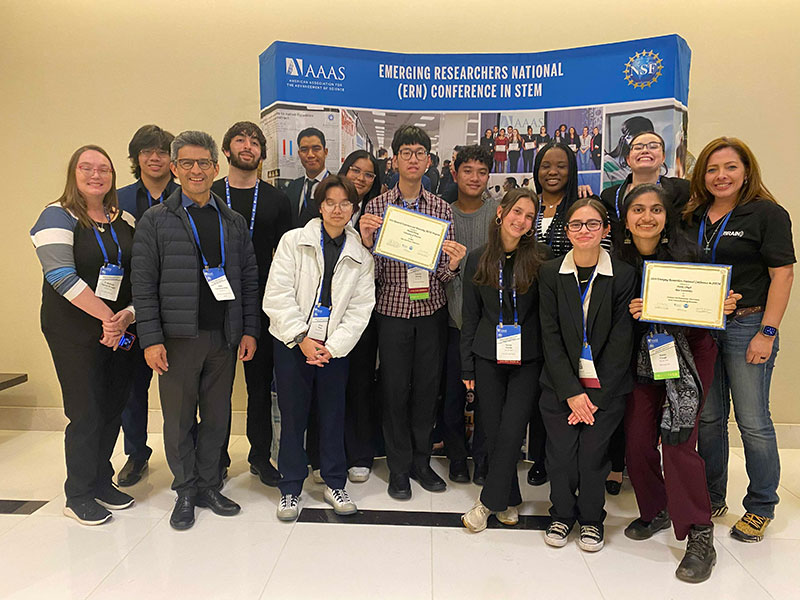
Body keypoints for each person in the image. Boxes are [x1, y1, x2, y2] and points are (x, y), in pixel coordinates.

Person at [132, 130, 260, 530]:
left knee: (218, 417)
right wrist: (151, 340)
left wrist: (250, 330)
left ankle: (208, 484)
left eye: (203, 163)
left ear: (215, 166)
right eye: (186, 163)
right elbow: (143, 284)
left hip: (224, 336)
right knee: (179, 420)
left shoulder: (232, 221)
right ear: (174, 169)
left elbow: (249, 279)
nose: (196, 170)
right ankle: (185, 489)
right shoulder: (156, 221)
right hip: (177, 339)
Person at [616, 184, 740, 582]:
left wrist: (721, 305)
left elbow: (707, 305)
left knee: (678, 440)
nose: (647, 217)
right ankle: (657, 509)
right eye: (638, 210)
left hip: (689, 354)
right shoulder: (616, 260)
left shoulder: (690, 255)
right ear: (626, 218)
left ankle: (700, 533)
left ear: (667, 217)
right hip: (641, 358)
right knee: (636, 442)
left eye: (655, 209)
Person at [684, 137, 795, 543]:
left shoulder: (766, 213)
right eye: (713, 169)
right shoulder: (694, 215)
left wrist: (767, 332)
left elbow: (782, 274)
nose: (721, 176)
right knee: (710, 419)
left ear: (746, 170)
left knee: (753, 422)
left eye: (730, 167)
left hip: (749, 326)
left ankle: (761, 505)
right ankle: (713, 495)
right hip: (704, 328)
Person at [31, 145, 137, 525]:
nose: (96, 175)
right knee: (86, 410)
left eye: (104, 169)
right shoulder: (56, 215)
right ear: (73, 173)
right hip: (74, 329)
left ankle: (101, 480)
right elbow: (60, 275)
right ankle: (77, 494)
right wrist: (109, 317)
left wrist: (126, 316)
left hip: (120, 327)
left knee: (113, 406)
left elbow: (139, 275)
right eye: (87, 168)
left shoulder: (123, 218)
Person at [359, 126, 467, 499]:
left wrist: (452, 265)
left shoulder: (440, 209)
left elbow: (441, 271)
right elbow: (363, 275)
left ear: (428, 161)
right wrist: (369, 245)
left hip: (430, 311)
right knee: (393, 391)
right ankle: (399, 468)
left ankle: (421, 462)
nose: (413, 159)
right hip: (390, 312)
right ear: (395, 159)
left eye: (420, 152)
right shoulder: (375, 208)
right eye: (406, 152)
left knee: (426, 390)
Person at [264, 175, 375, 520]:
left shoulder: (360, 255)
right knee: (293, 417)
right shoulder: (293, 241)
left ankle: (333, 481)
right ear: (320, 206)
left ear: (354, 209)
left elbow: (360, 309)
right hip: (293, 344)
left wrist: (334, 346)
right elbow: (278, 294)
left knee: (332, 414)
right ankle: (291, 488)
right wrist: (301, 338)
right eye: (331, 202)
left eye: (345, 203)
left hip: (333, 350)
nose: (337, 209)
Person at [539, 198, 636, 552]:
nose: (584, 231)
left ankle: (592, 519)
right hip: (560, 386)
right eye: (576, 224)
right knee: (561, 453)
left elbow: (621, 341)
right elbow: (549, 336)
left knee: (593, 454)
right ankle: (561, 515)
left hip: (604, 390)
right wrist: (571, 392)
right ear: (566, 231)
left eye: (593, 224)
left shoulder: (623, 275)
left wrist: (592, 398)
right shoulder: (550, 273)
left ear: (606, 230)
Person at [460, 189, 550, 532]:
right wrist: (466, 364)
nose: (522, 221)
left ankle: (487, 503)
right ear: (501, 212)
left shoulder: (540, 257)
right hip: (487, 355)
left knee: (513, 429)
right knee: (495, 431)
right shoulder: (479, 258)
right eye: (517, 212)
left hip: (528, 358)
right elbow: (471, 316)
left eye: (529, 217)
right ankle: (509, 497)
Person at [210, 121, 292, 487]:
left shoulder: (277, 200)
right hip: (213, 303)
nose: (248, 146)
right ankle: (215, 458)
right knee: (215, 388)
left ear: (262, 152)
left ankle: (260, 456)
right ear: (226, 150)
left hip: (260, 304)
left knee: (259, 387)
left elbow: (287, 259)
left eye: (255, 141)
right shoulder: (207, 194)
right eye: (240, 140)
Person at [116, 124, 179, 487]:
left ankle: (185, 458)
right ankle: (136, 453)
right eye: (147, 151)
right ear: (136, 158)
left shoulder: (187, 195)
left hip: (176, 309)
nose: (155, 158)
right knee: (132, 388)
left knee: (182, 391)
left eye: (161, 151)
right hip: (131, 312)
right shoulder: (118, 200)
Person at [441, 145, 495, 485]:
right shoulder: (440, 213)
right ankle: (457, 457)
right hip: (449, 321)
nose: (474, 178)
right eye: (468, 171)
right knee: (451, 397)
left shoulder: (500, 213)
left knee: (490, 399)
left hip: (490, 326)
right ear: (455, 173)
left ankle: (484, 458)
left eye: (481, 172)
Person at [336, 150, 384, 481]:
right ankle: (328, 451)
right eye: (356, 170)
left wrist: (368, 241)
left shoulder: (380, 212)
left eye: (368, 174)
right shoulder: (331, 204)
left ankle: (360, 453)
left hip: (365, 313)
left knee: (361, 384)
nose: (361, 179)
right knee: (330, 384)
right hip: (326, 313)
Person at [600, 130, 690, 240]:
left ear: (663, 157)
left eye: (653, 146)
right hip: (624, 255)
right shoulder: (609, 196)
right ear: (628, 159)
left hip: (669, 255)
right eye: (638, 147)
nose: (645, 150)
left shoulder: (682, 190)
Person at [285, 127, 330, 227]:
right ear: (299, 154)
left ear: (325, 152)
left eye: (316, 149)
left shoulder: (336, 186)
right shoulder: (293, 187)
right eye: (304, 150)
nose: (310, 155)